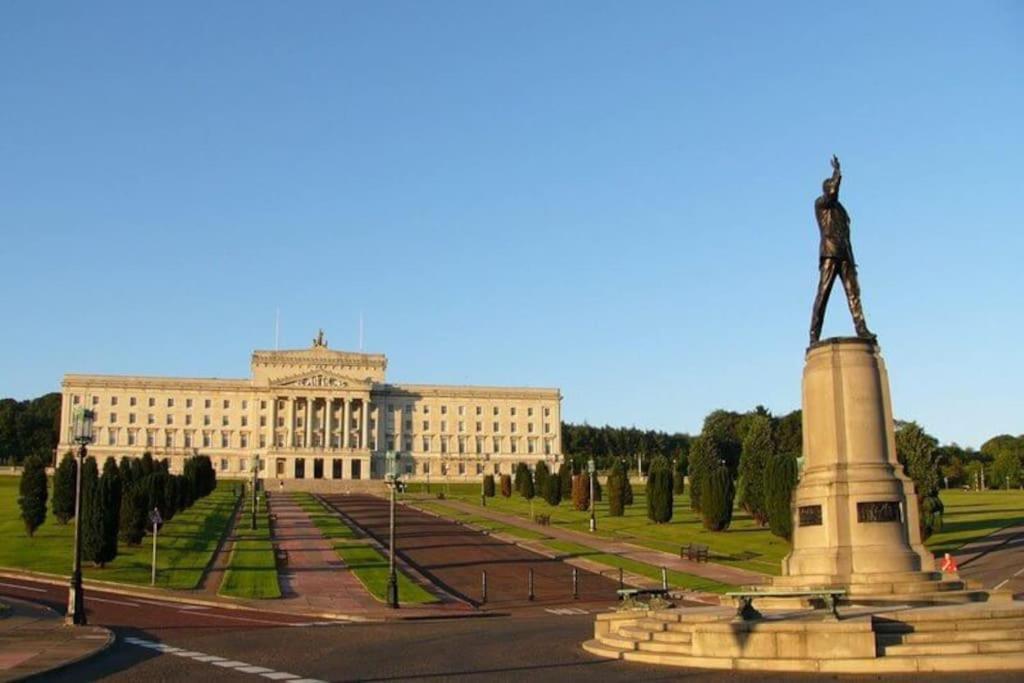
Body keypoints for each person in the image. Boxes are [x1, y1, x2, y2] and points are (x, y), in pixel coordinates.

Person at [809, 155, 875, 344]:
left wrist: (852, 260)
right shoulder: (821, 204)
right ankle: (814, 333)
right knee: (823, 294)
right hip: (830, 253)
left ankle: (861, 328)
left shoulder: (841, 210)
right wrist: (837, 173)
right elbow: (832, 194)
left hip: (845, 254)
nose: (833, 188)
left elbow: (847, 236)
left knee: (854, 293)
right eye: (830, 186)